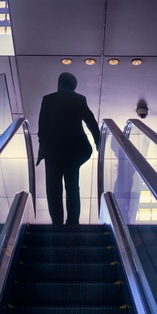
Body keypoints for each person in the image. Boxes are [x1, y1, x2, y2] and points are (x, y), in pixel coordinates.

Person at [37, 72, 100, 225]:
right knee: (72, 186)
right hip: (74, 151)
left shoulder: (48, 99)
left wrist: (43, 146)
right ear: (73, 86)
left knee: (53, 189)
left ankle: (57, 221)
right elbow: (90, 121)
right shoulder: (79, 99)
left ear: (59, 83)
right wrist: (99, 142)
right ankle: (72, 222)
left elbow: (42, 127)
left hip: (53, 151)